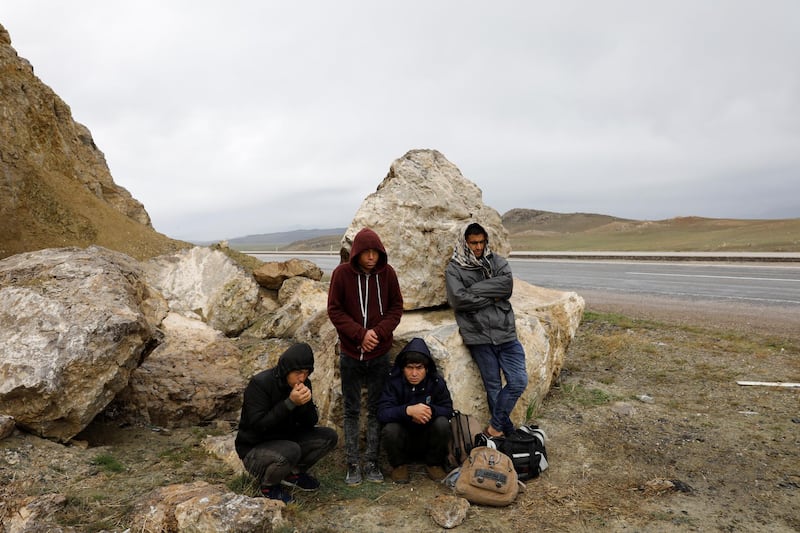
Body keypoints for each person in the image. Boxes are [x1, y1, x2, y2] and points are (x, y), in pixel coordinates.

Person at [327, 227, 404, 485]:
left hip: (380, 354)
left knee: (374, 409)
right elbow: (334, 310)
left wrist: (378, 333)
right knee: (351, 410)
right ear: (357, 253)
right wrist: (360, 334)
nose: (371, 257)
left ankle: (372, 462)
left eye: (375, 252)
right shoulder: (341, 274)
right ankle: (352, 463)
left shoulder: (388, 274)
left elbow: (396, 308)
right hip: (351, 353)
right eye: (366, 252)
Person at [445, 222, 528, 438]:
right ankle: (504, 434)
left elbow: (506, 287)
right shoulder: (454, 268)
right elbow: (458, 299)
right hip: (478, 334)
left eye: (481, 242)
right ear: (465, 242)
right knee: (493, 387)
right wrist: (492, 295)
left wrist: (473, 291)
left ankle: (494, 428)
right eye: (473, 243)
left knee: (519, 381)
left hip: (505, 332)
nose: (478, 247)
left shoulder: (497, 262)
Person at [235, 343, 338, 503]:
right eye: (298, 373)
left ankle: (292, 474)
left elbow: (310, 423)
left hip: (286, 441)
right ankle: (269, 486)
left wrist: (304, 405)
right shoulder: (260, 384)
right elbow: (258, 425)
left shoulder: (304, 384)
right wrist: (290, 403)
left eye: (306, 373)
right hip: (254, 449)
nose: (302, 378)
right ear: (286, 369)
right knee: (291, 450)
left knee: (328, 437)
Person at [377, 337, 454, 483]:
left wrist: (429, 410)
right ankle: (399, 465)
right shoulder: (394, 383)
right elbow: (382, 413)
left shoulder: (436, 382)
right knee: (390, 429)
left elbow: (448, 409)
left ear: (426, 369)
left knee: (443, 423)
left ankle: (434, 463)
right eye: (409, 368)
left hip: (427, 437)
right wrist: (408, 411)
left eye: (419, 368)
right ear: (403, 368)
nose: (414, 373)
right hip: (403, 438)